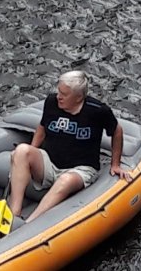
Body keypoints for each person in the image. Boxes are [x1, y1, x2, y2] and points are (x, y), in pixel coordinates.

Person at [8, 71, 132, 223]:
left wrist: (115, 164)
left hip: (80, 170)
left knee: (65, 180)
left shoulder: (98, 111)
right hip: (50, 163)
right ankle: (15, 214)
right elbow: (42, 127)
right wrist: (32, 152)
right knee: (21, 150)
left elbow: (117, 131)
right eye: (59, 91)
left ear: (78, 97)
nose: (59, 96)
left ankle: (30, 223)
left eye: (64, 94)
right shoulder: (52, 102)